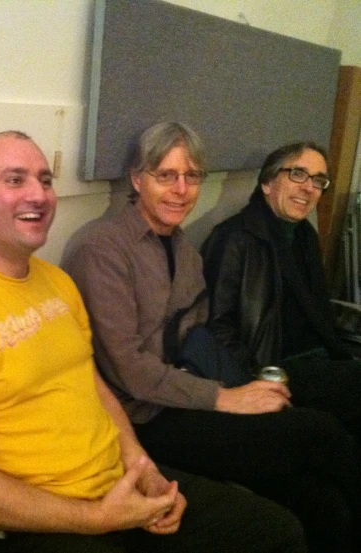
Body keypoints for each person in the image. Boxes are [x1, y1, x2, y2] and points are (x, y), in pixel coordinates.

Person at [0, 130, 307, 553]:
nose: (38, 194)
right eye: (15, 180)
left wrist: (141, 466)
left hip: (113, 486)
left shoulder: (54, 282)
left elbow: (92, 384)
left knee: (274, 531)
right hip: (29, 521)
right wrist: (97, 519)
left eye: (45, 180)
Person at [65, 122, 361, 553]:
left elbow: (198, 335)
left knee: (323, 501)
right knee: (320, 434)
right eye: (165, 175)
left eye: (192, 177)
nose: (180, 189)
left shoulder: (184, 250)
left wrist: (241, 385)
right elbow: (129, 369)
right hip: (145, 418)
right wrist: (227, 398)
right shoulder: (103, 248)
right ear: (136, 179)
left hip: (189, 394)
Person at [201, 142, 361, 441]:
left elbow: (319, 311)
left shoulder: (304, 235)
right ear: (267, 182)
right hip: (275, 365)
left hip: (319, 356)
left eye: (318, 180)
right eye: (298, 174)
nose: (309, 188)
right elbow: (215, 326)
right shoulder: (233, 240)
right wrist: (258, 375)